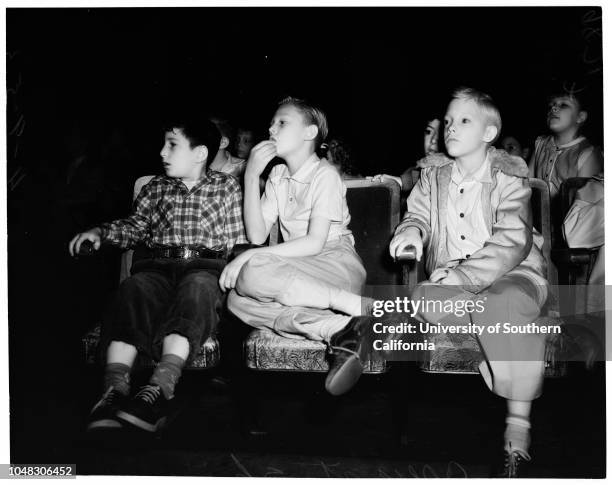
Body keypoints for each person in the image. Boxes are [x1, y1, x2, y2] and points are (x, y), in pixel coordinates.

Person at [389, 88, 549, 477]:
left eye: (463, 121)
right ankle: (499, 345)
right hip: (453, 281)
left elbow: (512, 238)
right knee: (426, 301)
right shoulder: (433, 176)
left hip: (513, 273)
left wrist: (461, 275)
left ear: (489, 133)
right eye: (447, 121)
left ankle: (518, 425)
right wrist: (410, 233)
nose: (450, 128)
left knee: (504, 301)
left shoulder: (509, 175)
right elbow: (418, 218)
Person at [69, 115, 246, 433]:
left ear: (200, 153)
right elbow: (134, 228)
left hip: (205, 267)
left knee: (197, 291)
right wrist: (101, 232)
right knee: (134, 290)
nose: (162, 152)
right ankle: (113, 391)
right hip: (158, 266)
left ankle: (159, 390)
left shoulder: (226, 187)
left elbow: (237, 241)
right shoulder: (155, 188)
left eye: (172, 145)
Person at [222, 97, 372, 396]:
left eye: (282, 122)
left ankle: (355, 305)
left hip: (334, 261)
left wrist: (251, 257)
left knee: (252, 272)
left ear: (310, 133)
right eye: (272, 122)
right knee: (235, 302)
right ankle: (338, 330)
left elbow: (315, 243)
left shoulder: (324, 175)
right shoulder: (278, 176)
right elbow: (256, 233)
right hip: (297, 273)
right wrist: (252, 176)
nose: (271, 127)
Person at [528, 89, 603, 233]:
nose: (553, 108)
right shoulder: (540, 144)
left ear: (580, 117)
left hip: (567, 234)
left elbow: (585, 211)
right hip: (536, 227)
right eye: (551, 105)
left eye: (563, 105)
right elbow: (526, 184)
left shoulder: (587, 154)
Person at [370, 117, 441, 191]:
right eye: (428, 132)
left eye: (440, 133)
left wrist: (401, 181)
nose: (433, 140)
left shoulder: (450, 169)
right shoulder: (413, 170)